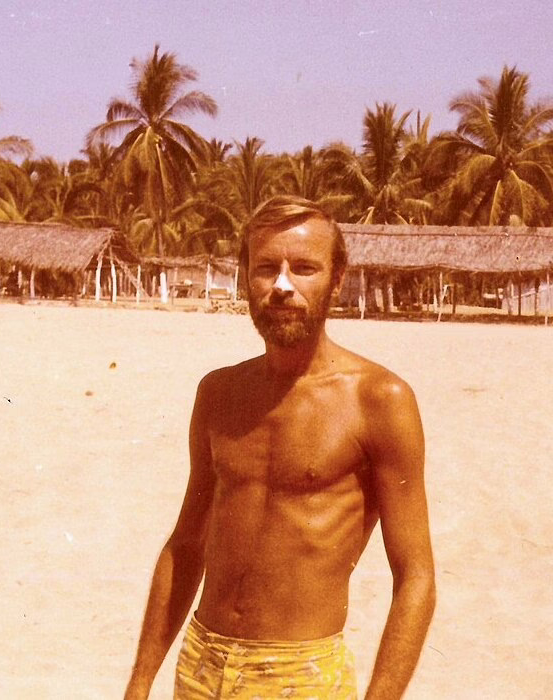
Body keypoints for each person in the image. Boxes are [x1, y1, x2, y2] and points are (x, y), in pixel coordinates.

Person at [124, 198, 436, 699]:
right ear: (246, 278)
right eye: (266, 268)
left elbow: (416, 574)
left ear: (337, 280)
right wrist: (139, 684)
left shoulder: (379, 400)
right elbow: (185, 545)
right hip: (201, 663)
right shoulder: (218, 393)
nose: (283, 286)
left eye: (304, 268)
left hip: (301, 673)